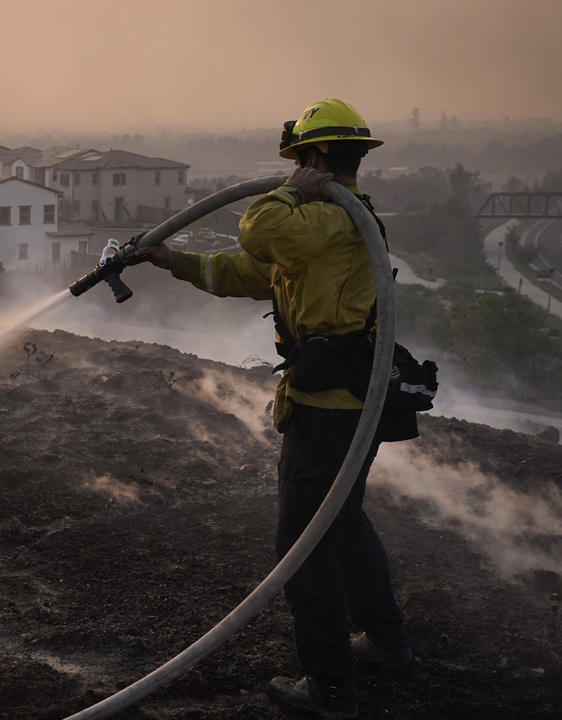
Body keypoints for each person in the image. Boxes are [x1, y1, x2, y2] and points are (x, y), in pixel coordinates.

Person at [130, 98, 413, 719]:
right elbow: (254, 272)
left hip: (330, 408)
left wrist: (288, 191)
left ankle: (332, 690)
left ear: (311, 158)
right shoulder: (326, 228)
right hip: (343, 402)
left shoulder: (329, 218)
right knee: (341, 522)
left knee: (303, 547)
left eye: (298, 163)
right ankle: (388, 641)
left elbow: (256, 230)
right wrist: (170, 260)